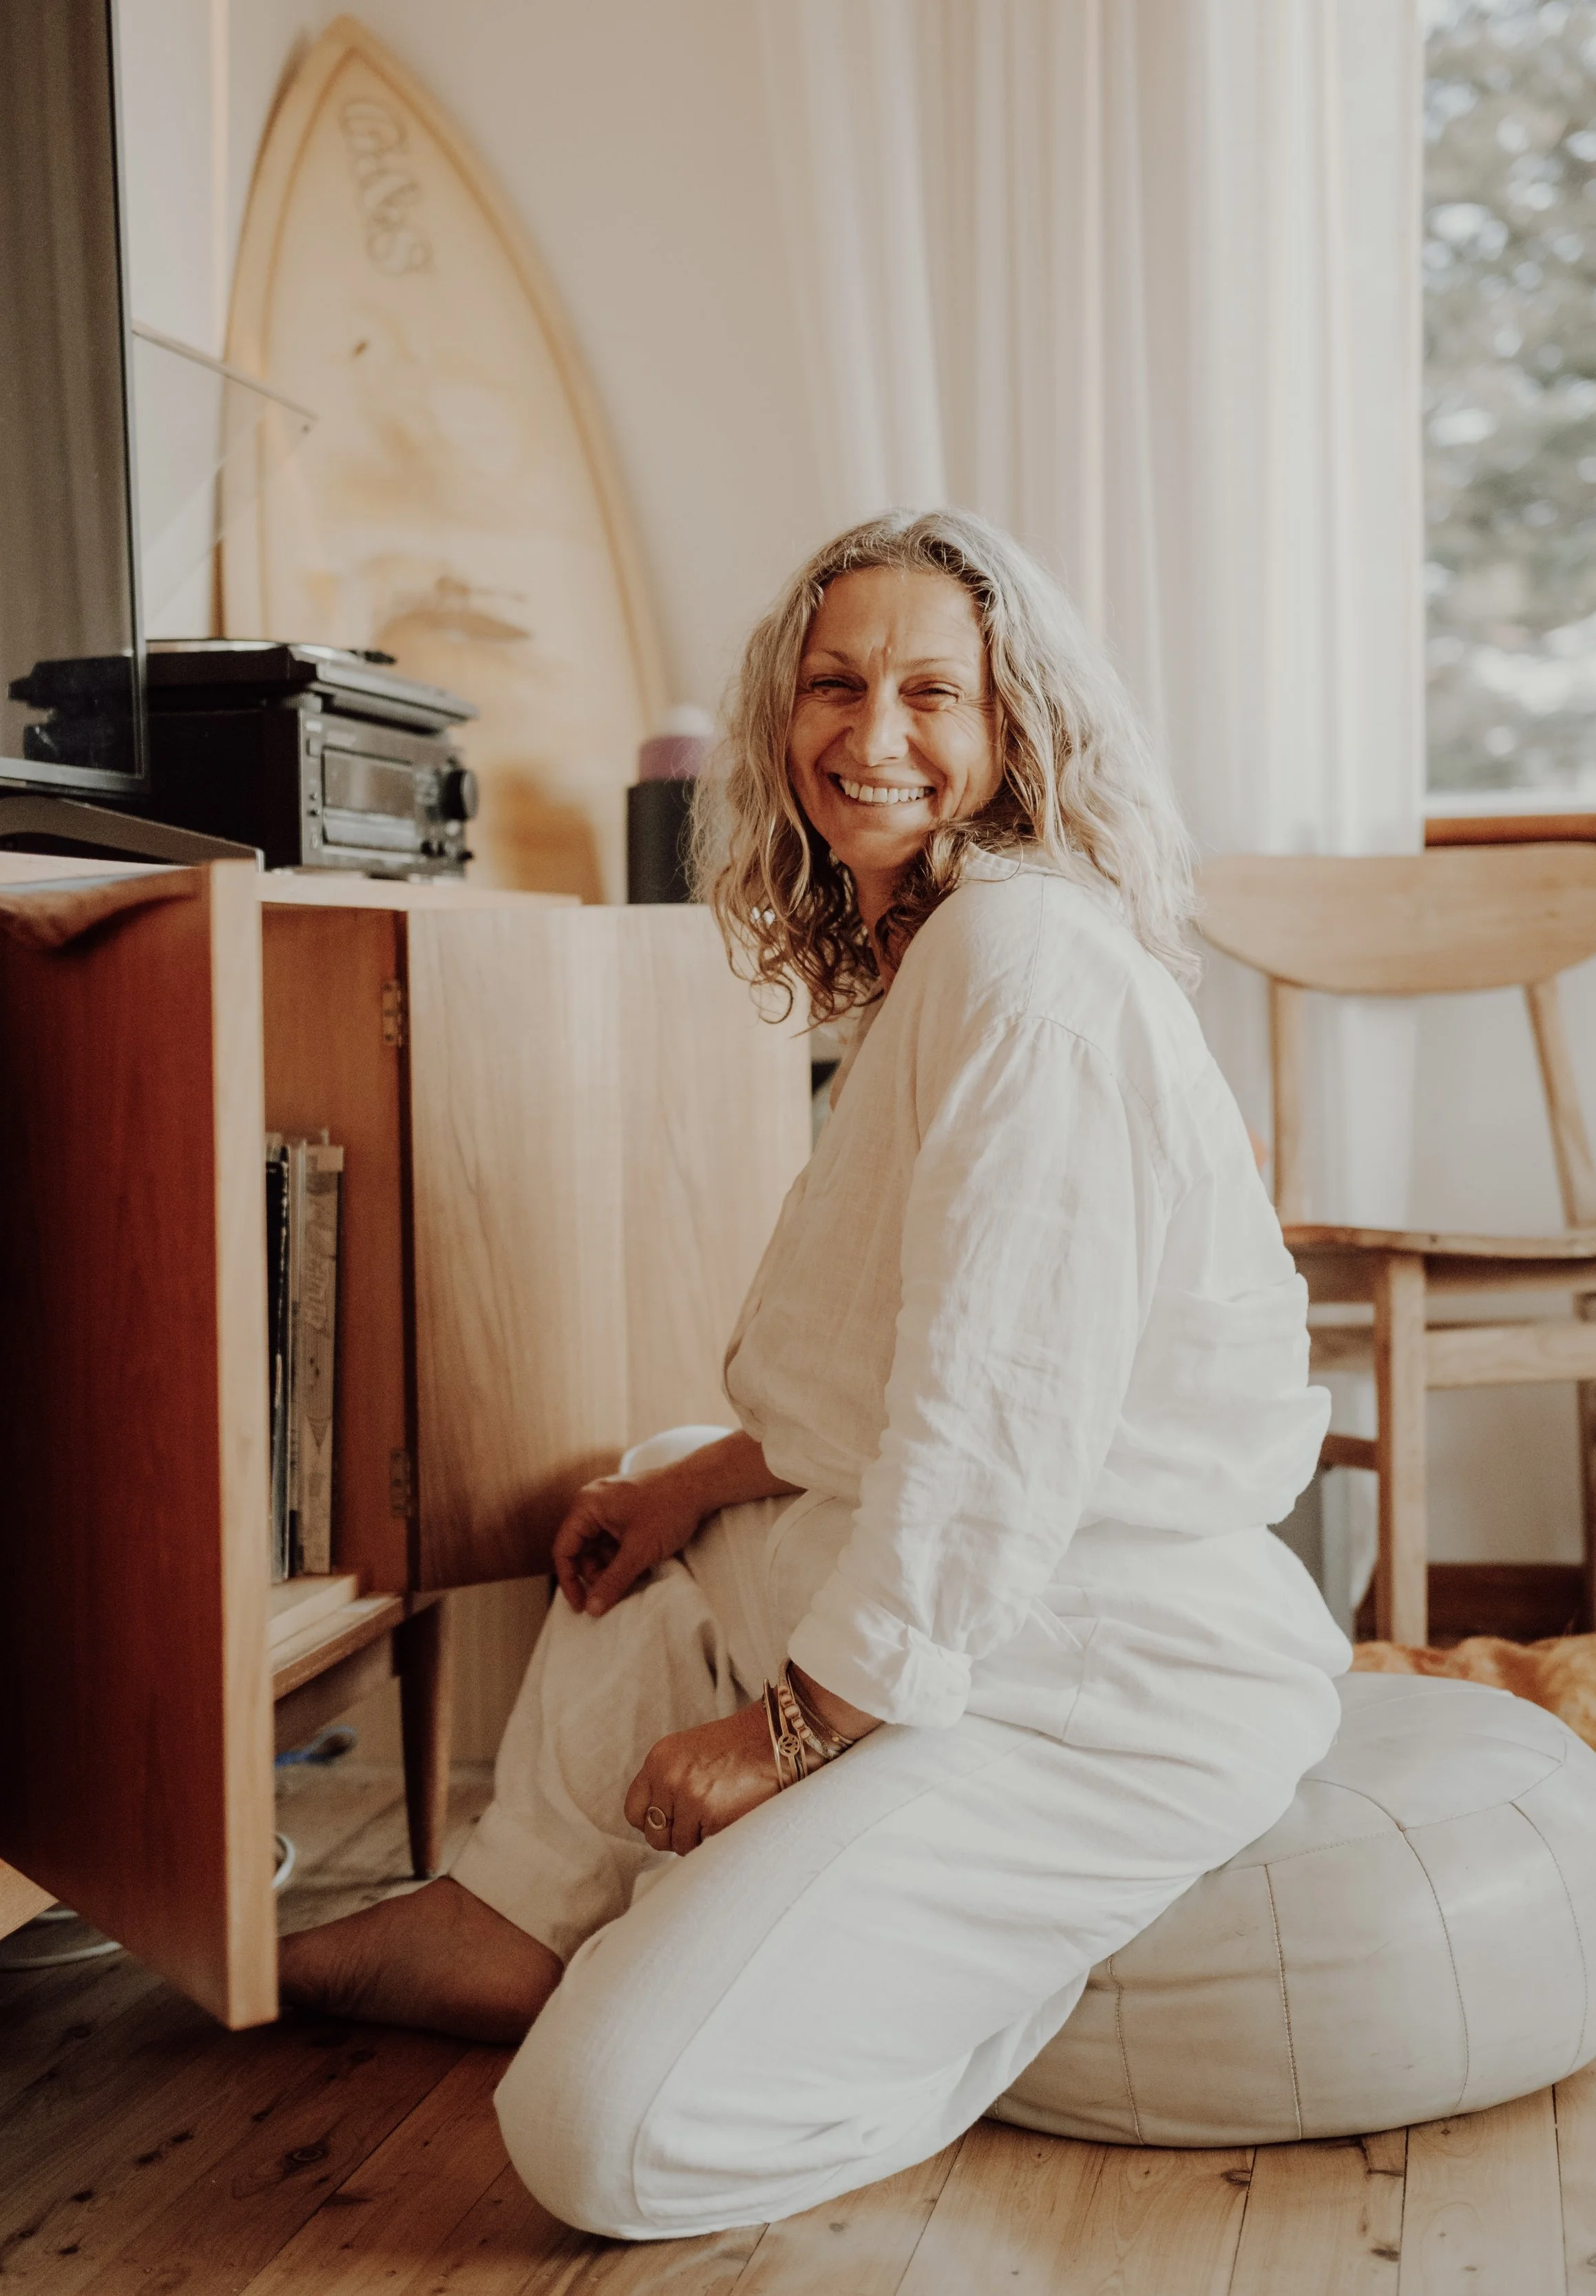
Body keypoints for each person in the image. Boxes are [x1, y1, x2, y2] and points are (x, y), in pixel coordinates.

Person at [277, 507, 1352, 2240]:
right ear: (781, 722)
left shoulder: (1025, 967)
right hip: (1003, 1596)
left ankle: (845, 1993)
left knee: (592, 2135)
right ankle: (511, 1910)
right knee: (655, 1471)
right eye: (835, 685)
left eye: (936, 692)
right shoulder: (946, 954)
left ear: (1014, 737)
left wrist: (789, 1735)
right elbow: (887, 1369)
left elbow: (995, 1423)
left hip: (1102, 1670)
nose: (874, 734)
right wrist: (691, 1480)